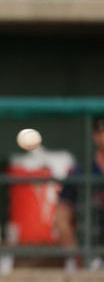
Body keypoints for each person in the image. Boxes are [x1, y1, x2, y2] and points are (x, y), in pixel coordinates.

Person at [55, 116, 104, 271]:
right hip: (91, 252)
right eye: (102, 132)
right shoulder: (80, 171)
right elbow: (61, 217)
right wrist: (78, 257)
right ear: (95, 136)